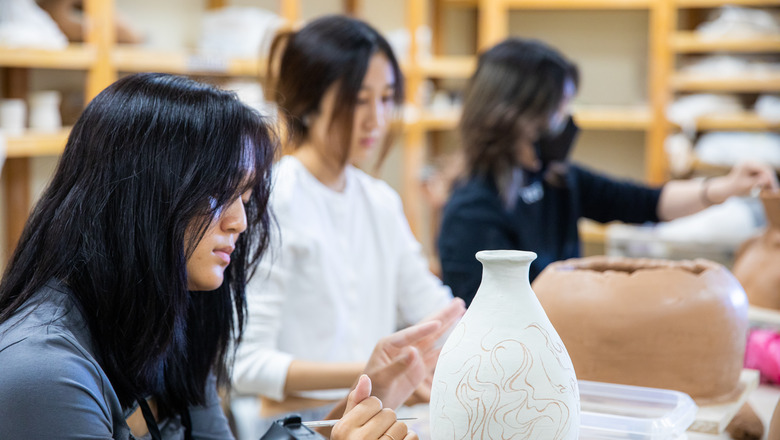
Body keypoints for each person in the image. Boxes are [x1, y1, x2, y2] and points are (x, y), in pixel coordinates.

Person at [0, 72, 430, 440]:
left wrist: (358, 412)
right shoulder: (44, 373)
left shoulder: (169, 323)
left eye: (244, 197)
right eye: (217, 195)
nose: (240, 222)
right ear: (141, 197)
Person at [231, 15, 465, 439]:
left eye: (387, 97)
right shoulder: (274, 198)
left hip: (370, 419)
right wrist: (373, 372)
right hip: (290, 430)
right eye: (359, 100)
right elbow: (245, 365)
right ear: (307, 102)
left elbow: (435, 312)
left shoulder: (379, 201)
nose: (377, 118)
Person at [437, 38, 779, 306]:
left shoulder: (557, 179)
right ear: (514, 117)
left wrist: (723, 188)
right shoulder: (472, 212)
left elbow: (644, 202)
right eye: (558, 111)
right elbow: (498, 315)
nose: (567, 123)